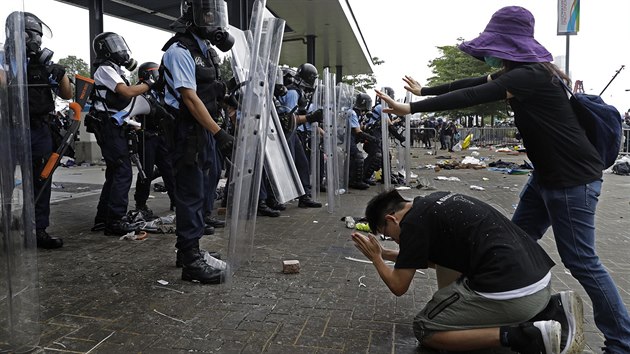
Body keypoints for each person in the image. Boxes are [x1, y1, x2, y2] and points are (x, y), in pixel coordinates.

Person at [376, 6, 630, 353]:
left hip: (573, 180)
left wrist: (412, 109)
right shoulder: (522, 73)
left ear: (509, 45)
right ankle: (523, 311)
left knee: (582, 261)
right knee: (516, 241)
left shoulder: (531, 77)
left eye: (494, 48)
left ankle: (622, 342)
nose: (490, 57)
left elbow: (470, 96)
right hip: (547, 176)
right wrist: (425, 90)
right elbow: (472, 84)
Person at [352, 189, 583, 354]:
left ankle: (526, 336)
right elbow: (434, 260)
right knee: (450, 272)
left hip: (514, 295)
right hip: (539, 284)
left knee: (424, 327)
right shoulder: (434, 201)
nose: (394, 240)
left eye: (388, 234)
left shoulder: (412, 224)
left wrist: (375, 258)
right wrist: (385, 254)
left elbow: (398, 286)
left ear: (391, 219)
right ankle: (552, 310)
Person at [160, 0, 235, 284]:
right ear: (192, 16)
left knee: (206, 186)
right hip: (187, 130)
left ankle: (190, 247)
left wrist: (231, 100)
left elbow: (209, 90)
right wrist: (219, 132)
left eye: (216, 15)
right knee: (191, 191)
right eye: (208, 14)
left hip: (204, 129)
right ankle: (191, 261)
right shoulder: (179, 51)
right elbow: (190, 98)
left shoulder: (206, 52)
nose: (214, 21)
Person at [88, 31, 150, 236]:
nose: (120, 49)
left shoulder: (114, 70)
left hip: (115, 124)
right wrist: (149, 84)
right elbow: (127, 92)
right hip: (108, 126)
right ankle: (115, 220)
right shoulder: (105, 69)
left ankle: (103, 218)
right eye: (114, 45)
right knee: (122, 171)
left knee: (115, 172)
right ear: (105, 50)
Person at [22, 12, 73, 248]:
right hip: (10, 128)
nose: (36, 41)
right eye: (32, 35)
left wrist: (60, 73)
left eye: (38, 36)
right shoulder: (3, 58)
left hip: (39, 128)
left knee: (42, 180)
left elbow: (67, 94)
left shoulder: (43, 64)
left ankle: (38, 229)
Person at [132, 61, 176, 218]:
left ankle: (176, 200)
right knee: (146, 172)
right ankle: (141, 204)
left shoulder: (161, 92)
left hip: (161, 136)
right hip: (147, 135)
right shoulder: (140, 91)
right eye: (155, 73)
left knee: (169, 169)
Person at [277, 63, 323, 208]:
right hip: (289, 132)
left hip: (295, 132)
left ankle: (305, 197)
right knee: (288, 164)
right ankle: (277, 197)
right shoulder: (293, 93)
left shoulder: (299, 91)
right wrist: (310, 117)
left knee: (303, 163)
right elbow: (288, 119)